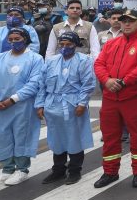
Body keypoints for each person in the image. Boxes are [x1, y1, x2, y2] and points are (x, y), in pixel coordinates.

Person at [92, 9, 137, 189]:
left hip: (134, 97)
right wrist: (106, 81)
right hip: (110, 98)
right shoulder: (111, 44)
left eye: (131, 21)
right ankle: (110, 172)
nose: (126, 24)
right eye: (123, 21)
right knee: (110, 137)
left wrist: (123, 82)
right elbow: (99, 64)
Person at [0, 28, 44, 186]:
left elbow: (35, 83)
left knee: (22, 134)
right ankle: (7, 169)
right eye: (10, 39)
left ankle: (22, 169)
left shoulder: (35, 59)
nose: (13, 42)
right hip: (0, 107)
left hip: (23, 105)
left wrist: (14, 99)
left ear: (25, 39)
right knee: (1, 136)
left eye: (17, 39)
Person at [36, 31, 96, 185]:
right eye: (61, 44)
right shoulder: (51, 61)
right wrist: (40, 104)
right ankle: (58, 170)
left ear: (75, 45)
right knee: (56, 139)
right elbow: (41, 85)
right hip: (53, 105)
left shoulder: (83, 60)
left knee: (74, 138)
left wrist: (82, 104)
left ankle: (75, 170)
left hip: (72, 104)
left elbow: (88, 84)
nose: (64, 47)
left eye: (68, 44)